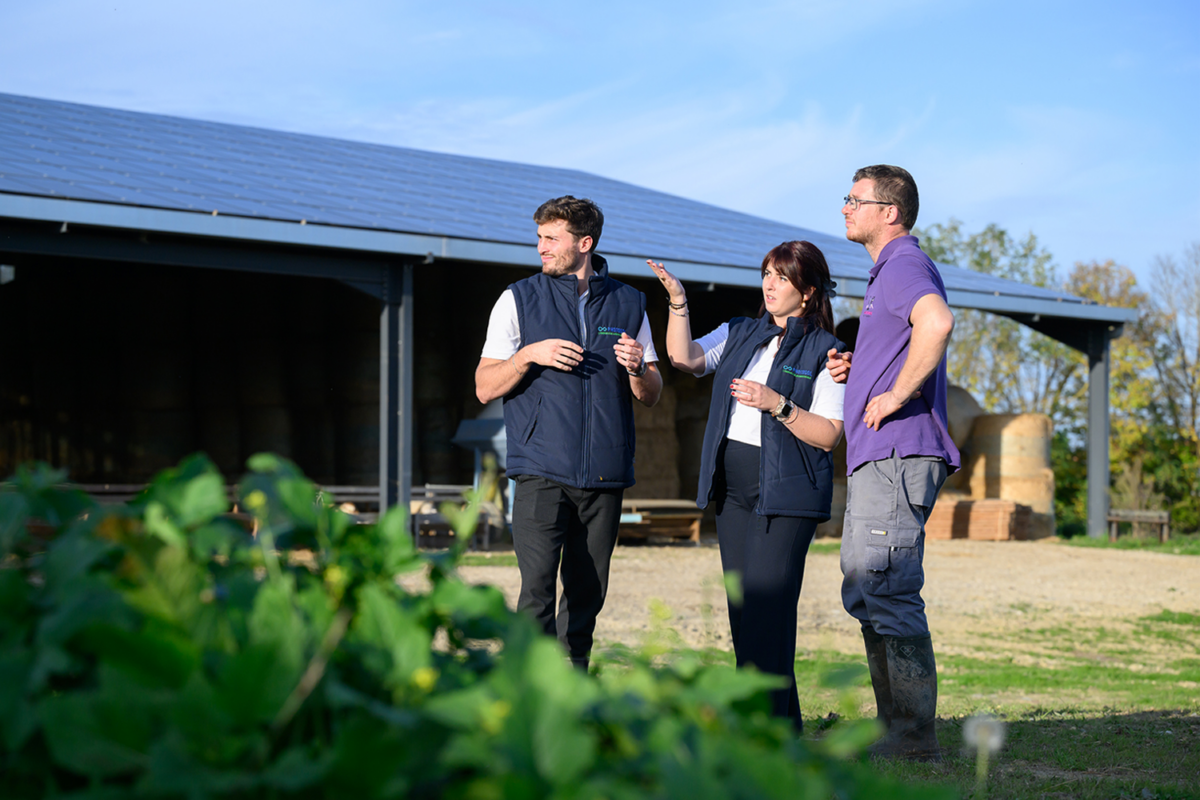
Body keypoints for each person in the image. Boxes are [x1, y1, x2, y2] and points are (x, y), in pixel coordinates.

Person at [647, 241, 844, 732]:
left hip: (787, 496)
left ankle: (777, 734)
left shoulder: (826, 351)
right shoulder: (740, 332)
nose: (770, 284)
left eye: (782, 277)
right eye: (766, 275)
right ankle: (767, 728)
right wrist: (678, 302)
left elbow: (829, 435)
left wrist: (777, 403)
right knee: (744, 615)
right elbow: (685, 357)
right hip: (733, 498)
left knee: (768, 614)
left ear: (808, 290)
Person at [475, 196, 662, 672]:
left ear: (585, 243)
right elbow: (483, 387)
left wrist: (639, 368)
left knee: (587, 592)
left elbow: (652, 394)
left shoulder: (628, 301)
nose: (541, 247)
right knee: (536, 587)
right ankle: (530, 689)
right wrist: (526, 356)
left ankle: (574, 688)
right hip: (540, 468)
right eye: (539, 237)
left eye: (551, 238)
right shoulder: (517, 298)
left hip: (605, 471)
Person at [826, 165, 960, 760]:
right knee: (866, 588)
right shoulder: (886, 274)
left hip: (898, 454)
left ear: (890, 212)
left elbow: (937, 323)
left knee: (886, 585)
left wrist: (897, 393)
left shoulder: (905, 262)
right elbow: (910, 339)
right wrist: (865, 374)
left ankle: (912, 738)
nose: (846, 208)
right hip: (878, 459)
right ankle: (893, 729)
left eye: (856, 200)